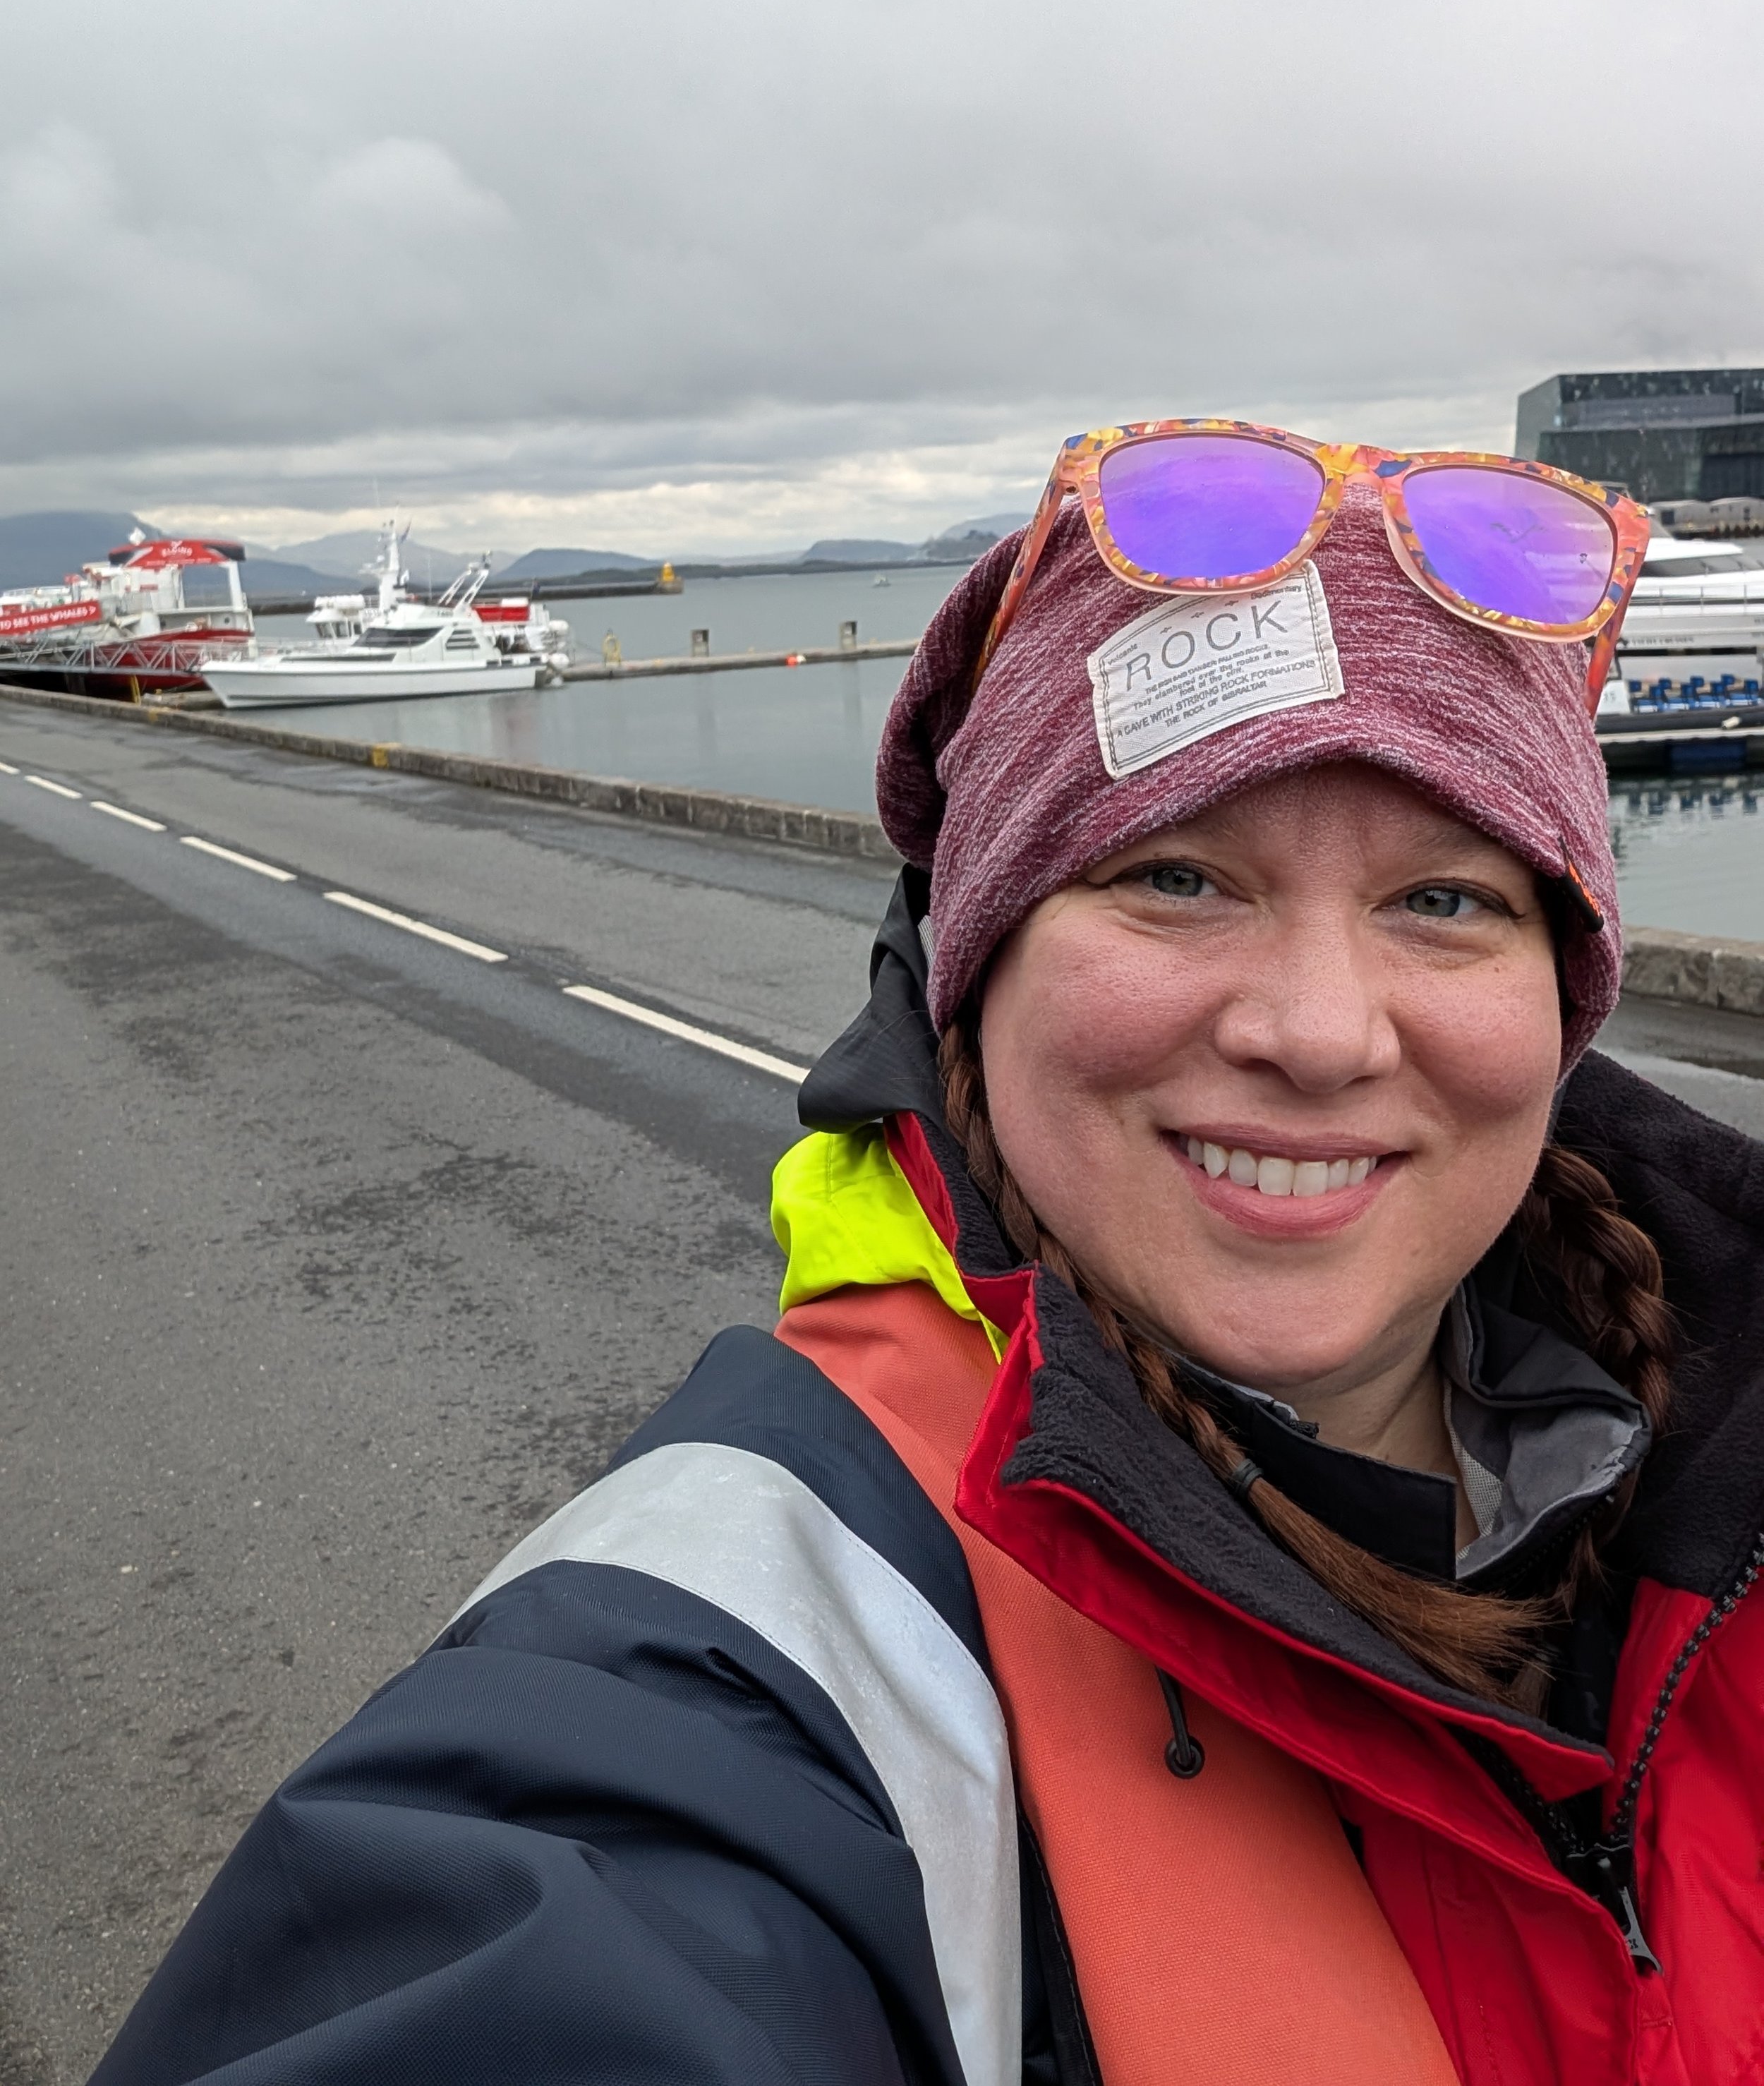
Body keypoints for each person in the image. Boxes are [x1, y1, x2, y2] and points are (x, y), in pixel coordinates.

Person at [95, 422, 1763, 2085]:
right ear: (976, 967)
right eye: (1177, 875)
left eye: (1444, 899)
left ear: (1560, 992)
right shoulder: (754, 1646)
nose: (1321, 1031)